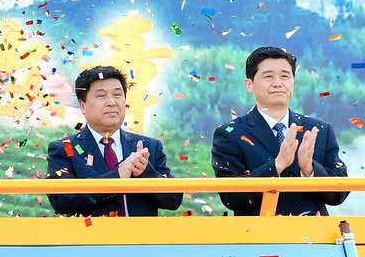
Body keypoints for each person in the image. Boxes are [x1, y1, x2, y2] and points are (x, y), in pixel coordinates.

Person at [211, 45, 349, 216]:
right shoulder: (230, 134)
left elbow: (339, 194)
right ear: (249, 84)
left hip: (313, 232)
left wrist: (309, 169)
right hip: (256, 231)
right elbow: (230, 197)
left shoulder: (319, 130)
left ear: (293, 82)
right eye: (268, 76)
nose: (278, 83)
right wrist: (277, 165)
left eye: (285, 76)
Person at [45, 65, 182, 217]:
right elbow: (62, 201)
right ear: (83, 105)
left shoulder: (149, 147)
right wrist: (118, 176)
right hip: (92, 232)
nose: (111, 102)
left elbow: (174, 200)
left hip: (141, 233)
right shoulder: (65, 149)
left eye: (117, 95)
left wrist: (145, 172)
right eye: (101, 96)